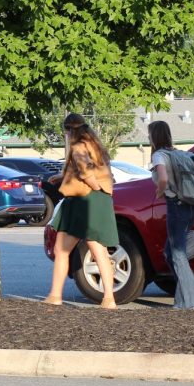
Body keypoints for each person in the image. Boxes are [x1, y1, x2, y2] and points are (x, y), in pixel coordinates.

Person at [44, 113, 119, 309]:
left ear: (69, 130)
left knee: (61, 249)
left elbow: (86, 172)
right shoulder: (96, 146)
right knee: (99, 249)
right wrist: (62, 178)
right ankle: (109, 299)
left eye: (65, 132)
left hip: (82, 202)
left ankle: (55, 295)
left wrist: (93, 186)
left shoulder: (77, 147)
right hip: (101, 199)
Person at [148, 120, 194, 309]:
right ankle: (183, 298)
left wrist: (159, 191)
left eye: (149, 134)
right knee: (169, 253)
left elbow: (163, 178)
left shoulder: (159, 155)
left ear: (154, 136)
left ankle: (193, 295)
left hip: (176, 206)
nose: (148, 138)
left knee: (177, 254)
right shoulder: (183, 154)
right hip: (191, 206)